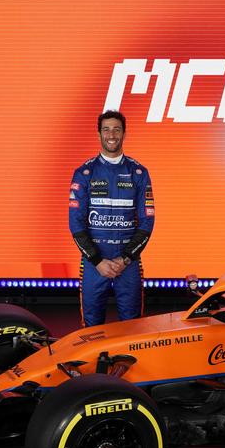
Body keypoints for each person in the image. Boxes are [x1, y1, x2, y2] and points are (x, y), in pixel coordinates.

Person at [68, 110, 155, 326]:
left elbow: (147, 222)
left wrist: (124, 259)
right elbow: (75, 223)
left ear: (124, 133)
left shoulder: (139, 173)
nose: (111, 134)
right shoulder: (84, 173)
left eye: (117, 129)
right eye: (106, 129)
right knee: (91, 326)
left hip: (128, 261)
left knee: (132, 325)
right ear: (99, 134)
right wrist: (97, 261)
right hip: (94, 261)